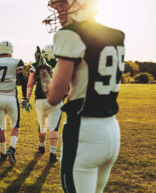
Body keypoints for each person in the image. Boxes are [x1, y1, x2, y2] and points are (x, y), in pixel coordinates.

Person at [40, 0, 125, 192]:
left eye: (63, 5)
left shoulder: (71, 33)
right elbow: (83, 82)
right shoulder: (116, 35)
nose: (59, 12)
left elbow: (54, 96)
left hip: (84, 131)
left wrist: (43, 74)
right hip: (111, 130)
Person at [0, 41, 27, 163]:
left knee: (1, 128)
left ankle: (2, 153)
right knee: (15, 126)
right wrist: (25, 97)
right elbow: (23, 81)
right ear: (10, 51)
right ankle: (12, 148)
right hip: (12, 98)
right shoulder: (16, 62)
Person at [25, 45, 63, 163]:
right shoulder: (60, 63)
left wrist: (26, 99)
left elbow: (30, 84)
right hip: (56, 99)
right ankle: (52, 153)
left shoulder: (36, 65)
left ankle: (41, 146)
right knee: (54, 127)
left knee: (42, 125)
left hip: (40, 99)